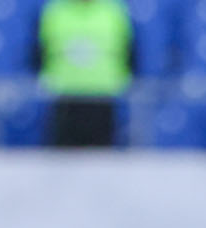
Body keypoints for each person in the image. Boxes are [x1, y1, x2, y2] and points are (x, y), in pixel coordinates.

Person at [34, 0, 132, 149]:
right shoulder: (54, 11)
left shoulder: (114, 10)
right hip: (64, 97)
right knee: (64, 156)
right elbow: (38, 52)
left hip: (103, 97)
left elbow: (130, 52)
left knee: (101, 156)